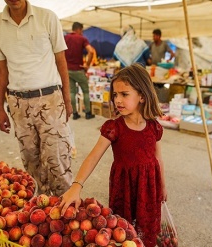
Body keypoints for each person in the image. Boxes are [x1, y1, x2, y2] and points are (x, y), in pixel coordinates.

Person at [59, 63, 167, 247]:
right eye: (115, 94)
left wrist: (163, 186)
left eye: (124, 94)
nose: (118, 100)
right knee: (122, 233)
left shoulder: (154, 127)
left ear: (142, 95)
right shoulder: (114, 128)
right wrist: (76, 186)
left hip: (149, 188)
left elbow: (158, 158)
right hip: (123, 188)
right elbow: (93, 156)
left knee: (147, 227)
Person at [0, 0, 73, 196]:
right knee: (31, 162)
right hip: (17, 103)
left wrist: (67, 100)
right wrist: (0, 108)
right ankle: (41, 209)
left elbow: (61, 60)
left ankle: (66, 212)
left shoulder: (47, 17)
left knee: (57, 159)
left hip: (50, 98)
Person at [64, 21, 96, 120]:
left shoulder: (65, 38)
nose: (82, 32)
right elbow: (91, 51)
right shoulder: (82, 39)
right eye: (82, 30)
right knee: (85, 91)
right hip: (78, 69)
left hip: (67, 70)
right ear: (79, 29)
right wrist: (87, 65)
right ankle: (87, 113)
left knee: (72, 92)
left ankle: (75, 113)